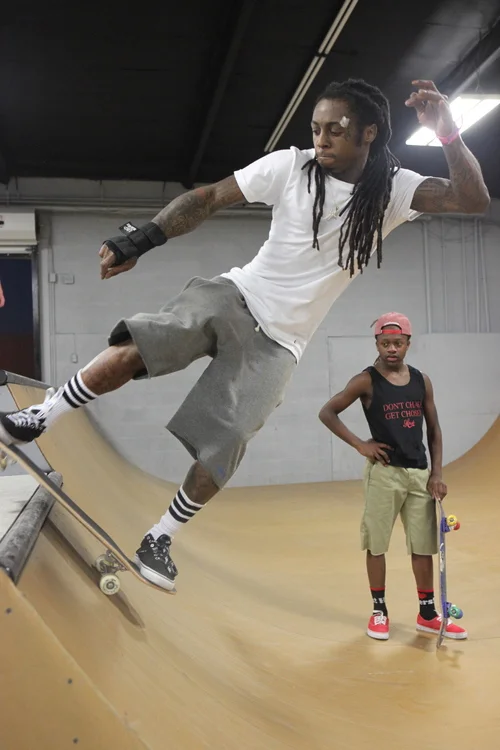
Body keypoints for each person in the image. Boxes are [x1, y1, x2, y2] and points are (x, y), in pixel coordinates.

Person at [0, 78, 489, 591]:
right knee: (140, 346)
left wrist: (448, 133)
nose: (321, 140)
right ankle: (40, 417)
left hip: (282, 343)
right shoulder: (290, 166)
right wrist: (142, 238)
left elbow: (471, 199)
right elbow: (209, 197)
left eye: (335, 130)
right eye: (316, 128)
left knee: (226, 446)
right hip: (234, 295)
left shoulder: (394, 189)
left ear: (369, 132)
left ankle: (160, 537)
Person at [319, 312, 467, 640]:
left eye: (398, 343)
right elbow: (327, 412)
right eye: (385, 343)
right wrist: (360, 444)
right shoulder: (366, 380)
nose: (391, 349)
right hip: (384, 475)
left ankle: (427, 614)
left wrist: (436, 473)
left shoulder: (421, 381)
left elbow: (434, 429)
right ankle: (379, 611)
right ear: (377, 343)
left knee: (423, 545)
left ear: (408, 344)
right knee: (376, 544)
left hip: (419, 475)